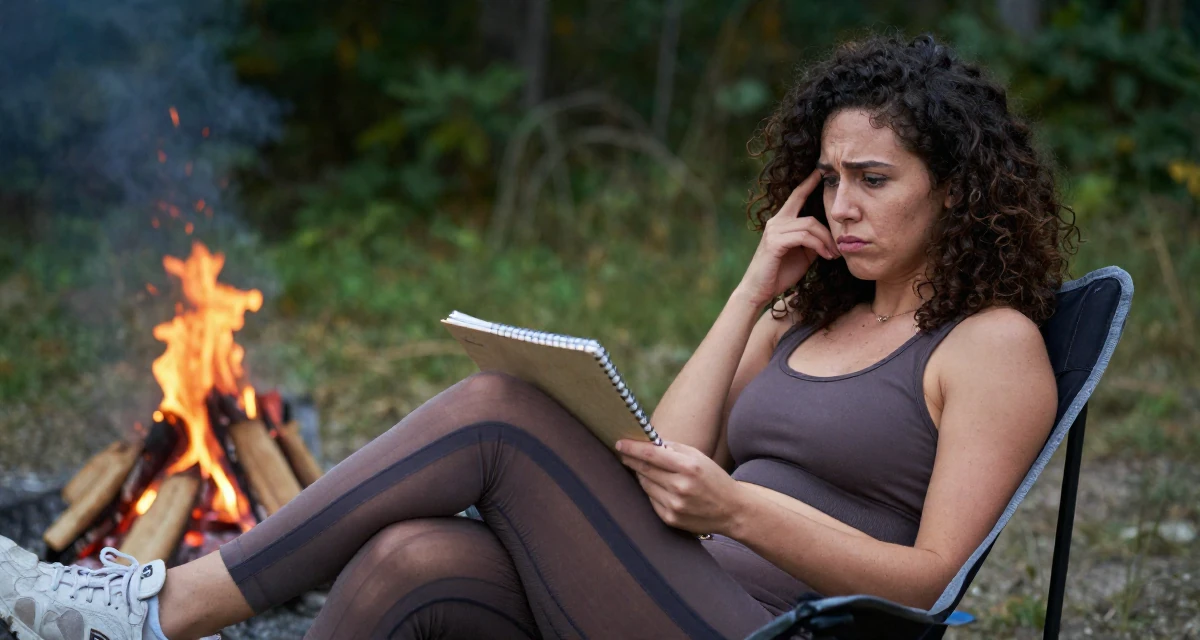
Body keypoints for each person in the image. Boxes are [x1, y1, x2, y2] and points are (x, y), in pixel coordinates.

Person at [0, 33, 1074, 640]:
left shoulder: (987, 346)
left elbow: (932, 580)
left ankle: (163, 604)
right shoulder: (808, 309)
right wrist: (753, 290)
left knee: (502, 414)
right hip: (678, 583)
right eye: (828, 178)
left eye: (874, 182)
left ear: (959, 193)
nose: (840, 204)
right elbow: (675, 453)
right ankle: (153, 611)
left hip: (779, 631)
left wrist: (740, 505)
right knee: (405, 559)